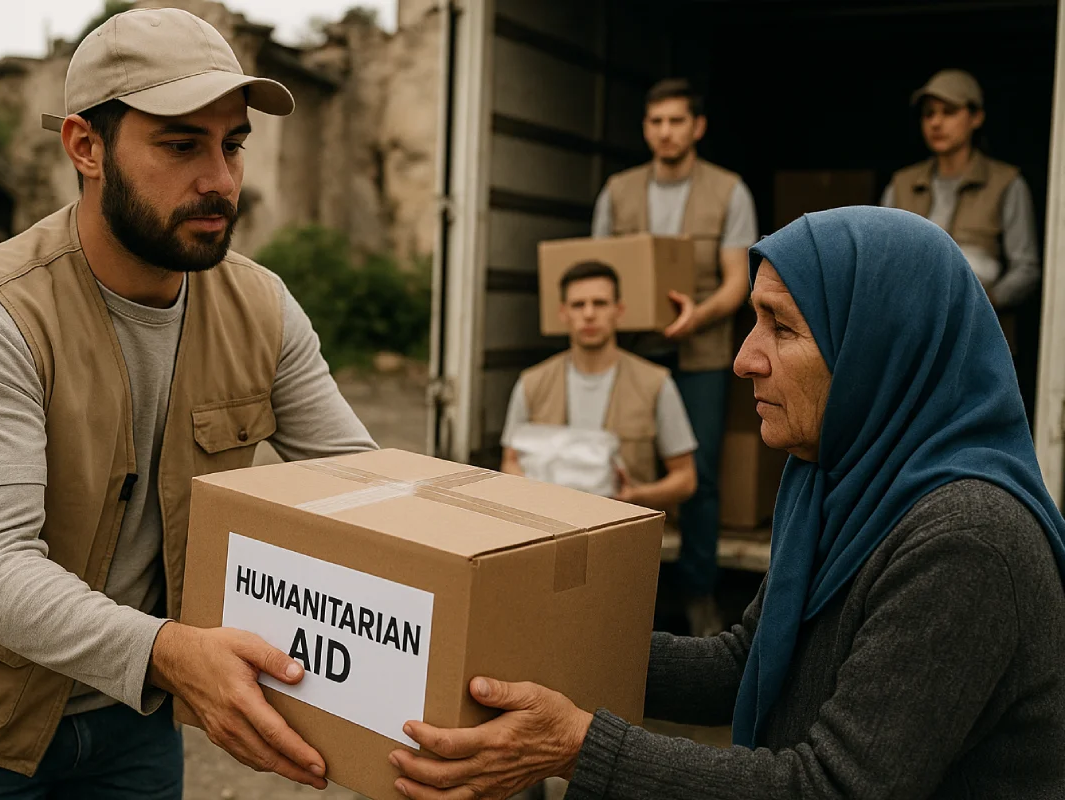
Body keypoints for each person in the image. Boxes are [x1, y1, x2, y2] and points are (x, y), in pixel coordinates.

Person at [386, 207, 1065, 799]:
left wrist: (577, 746)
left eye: (782, 327)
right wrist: (530, 648)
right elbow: (747, 661)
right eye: (752, 321)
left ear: (877, 351)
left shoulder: (967, 541)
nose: (744, 358)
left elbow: (838, 786)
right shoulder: (833, 479)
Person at [0, 9, 376, 798]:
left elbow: (364, 488)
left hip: (132, 716)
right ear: (86, 147)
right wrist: (175, 654)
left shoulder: (263, 307)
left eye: (234, 143)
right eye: (182, 145)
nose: (220, 178)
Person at [592, 78, 758, 637]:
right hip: (633, 352)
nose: (665, 131)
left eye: (676, 121)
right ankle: (618, 596)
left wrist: (699, 315)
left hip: (701, 351)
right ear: (646, 128)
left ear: (697, 127)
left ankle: (698, 594)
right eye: (656, 121)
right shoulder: (617, 191)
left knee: (700, 476)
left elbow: (739, 283)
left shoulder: (730, 191)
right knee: (617, 467)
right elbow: (595, 274)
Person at [500, 261, 697, 511]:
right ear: (563, 313)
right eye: (578, 305)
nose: (589, 314)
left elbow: (685, 479)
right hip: (548, 528)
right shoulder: (531, 383)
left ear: (619, 310)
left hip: (622, 531)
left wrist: (636, 496)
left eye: (600, 303)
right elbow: (509, 463)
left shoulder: (656, 384)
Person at [882, 69, 1040, 318]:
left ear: (976, 117)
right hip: (908, 322)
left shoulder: (1005, 182)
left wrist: (987, 302)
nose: (936, 123)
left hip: (975, 324)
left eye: (949, 112)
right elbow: (881, 260)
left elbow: (1026, 269)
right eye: (928, 114)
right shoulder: (902, 184)